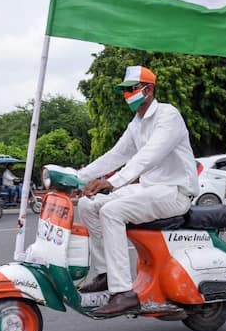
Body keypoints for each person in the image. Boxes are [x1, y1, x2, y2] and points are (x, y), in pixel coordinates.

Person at [76, 65, 199, 317]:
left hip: (174, 192)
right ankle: (105, 273)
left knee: (111, 211)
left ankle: (123, 293)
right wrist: (77, 177)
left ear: (149, 89)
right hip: (148, 189)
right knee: (88, 204)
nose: (128, 94)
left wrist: (115, 181)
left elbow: (149, 155)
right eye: (125, 90)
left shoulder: (168, 116)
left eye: (132, 89)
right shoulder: (137, 123)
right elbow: (117, 154)